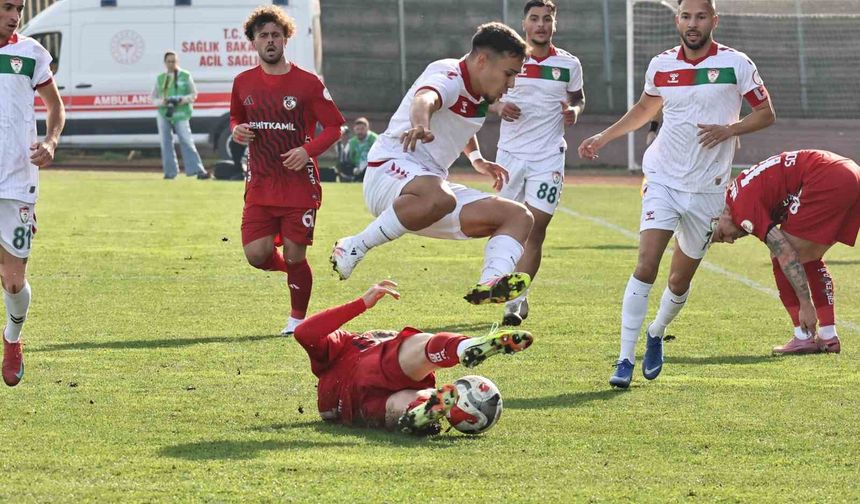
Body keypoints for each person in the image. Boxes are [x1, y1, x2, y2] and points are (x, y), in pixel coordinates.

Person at [577, 0, 776, 388]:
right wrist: (604, 136)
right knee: (645, 265)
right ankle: (623, 360)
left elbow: (766, 113)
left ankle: (656, 332)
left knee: (679, 281)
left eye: (701, 16)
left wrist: (729, 130)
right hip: (662, 178)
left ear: (714, 21)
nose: (693, 24)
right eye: (686, 16)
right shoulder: (662, 64)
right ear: (677, 20)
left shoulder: (737, 63)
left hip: (707, 190)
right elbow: (644, 109)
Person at [330, 23, 536, 306]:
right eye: (509, 74)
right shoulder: (449, 74)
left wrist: (477, 159)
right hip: (389, 169)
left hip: (430, 195)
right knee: (439, 196)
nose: (510, 85)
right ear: (483, 60)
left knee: (519, 216)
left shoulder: (478, 95)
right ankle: (354, 246)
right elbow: (425, 99)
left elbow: (460, 125)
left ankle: (492, 281)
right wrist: (420, 124)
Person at [230, 6, 346, 335]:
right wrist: (237, 130)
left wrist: (306, 151)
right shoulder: (242, 82)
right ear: (253, 41)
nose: (270, 41)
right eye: (263, 35)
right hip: (261, 184)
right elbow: (236, 118)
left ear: (285, 39)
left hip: (298, 186)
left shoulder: (307, 84)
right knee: (256, 254)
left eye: (275, 35)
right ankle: (295, 272)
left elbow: (335, 127)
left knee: (296, 255)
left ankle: (297, 319)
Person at [294, 279, 534, 433]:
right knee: (418, 347)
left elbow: (304, 331)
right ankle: (464, 347)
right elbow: (305, 332)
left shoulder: (343, 347)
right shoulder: (350, 344)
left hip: (358, 410)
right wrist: (361, 304)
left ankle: (420, 413)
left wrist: (362, 305)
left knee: (416, 397)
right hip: (372, 374)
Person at [711, 150, 859, 355]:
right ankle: (828, 335)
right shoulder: (737, 196)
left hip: (827, 177)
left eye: (721, 235)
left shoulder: (740, 208)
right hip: (849, 171)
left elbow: (785, 253)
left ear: (720, 214)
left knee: (781, 256)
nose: (729, 241)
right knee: (810, 258)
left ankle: (803, 336)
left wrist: (806, 304)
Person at [491, 0, 585, 326]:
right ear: (524, 23)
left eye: (547, 19)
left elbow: (578, 97)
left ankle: (515, 301)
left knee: (535, 231)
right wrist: (497, 108)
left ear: (554, 25)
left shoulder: (569, 64)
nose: (541, 24)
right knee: (506, 229)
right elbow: (481, 93)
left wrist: (574, 111)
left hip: (548, 159)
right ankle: (510, 285)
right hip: (509, 158)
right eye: (535, 19)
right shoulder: (506, 58)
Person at [1, 0, 66, 386]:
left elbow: (56, 107)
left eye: (19, 8)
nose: (15, 15)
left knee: (12, 281)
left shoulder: (31, 53)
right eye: (7, 6)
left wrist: (52, 141)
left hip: (17, 181)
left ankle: (12, 338)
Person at [152, 51, 210, 180]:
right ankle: (170, 173)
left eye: (174, 61)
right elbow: (153, 98)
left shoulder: (185, 75)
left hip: (181, 113)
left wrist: (181, 99)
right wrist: (164, 102)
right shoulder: (161, 78)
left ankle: (197, 170)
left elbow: (194, 94)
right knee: (165, 142)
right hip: (164, 112)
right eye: (169, 61)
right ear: (165, 63)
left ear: (177, 62)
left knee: (186, 140)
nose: (172, 64)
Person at [346, 117, 378, 182]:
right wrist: (353, 168)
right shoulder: (351, 142)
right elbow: (348, 158)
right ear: (354, 129)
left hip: (371, 167)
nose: (360, 131)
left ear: (367, 129)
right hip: (356, 168)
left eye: (362, 129)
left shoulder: (375, 139)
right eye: (357, 129)